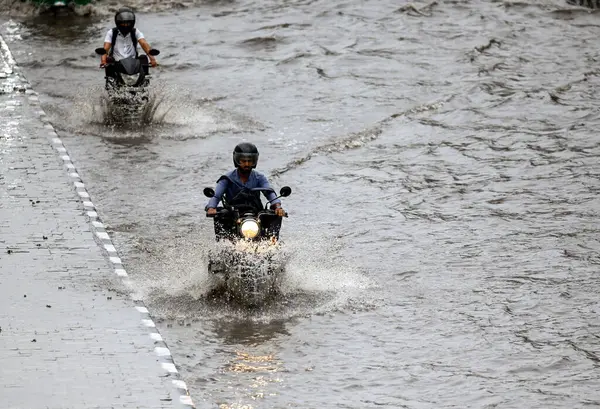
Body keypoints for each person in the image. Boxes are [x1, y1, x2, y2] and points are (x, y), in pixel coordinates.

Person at [206, 143, 287, 240]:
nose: (247, 164)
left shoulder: (259, 178)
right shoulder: (227, 178)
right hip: (233, 213)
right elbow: (216, 195)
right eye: (243, 161)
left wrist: (277, 206)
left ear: (255, 161)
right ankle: (223, 243)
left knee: (273, 215)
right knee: (220, 216)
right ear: (237, 160)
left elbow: (269, 192)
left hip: (255, 213)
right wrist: (211, 208)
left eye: (250, 161)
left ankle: (271, 243)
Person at [99, 7, 158, 72]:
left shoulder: (136, 32)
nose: (125, 25)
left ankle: (145, 80)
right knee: (109, 60)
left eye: (128, 23)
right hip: (116, 64)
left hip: (133, 64)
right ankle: (110, 80)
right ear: (118, 22)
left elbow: (144, 43)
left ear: (132, 23)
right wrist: (103, 61)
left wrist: (152, 59)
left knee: (143, 58)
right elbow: (106, 48)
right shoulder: (112, 32)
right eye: (123, 23)